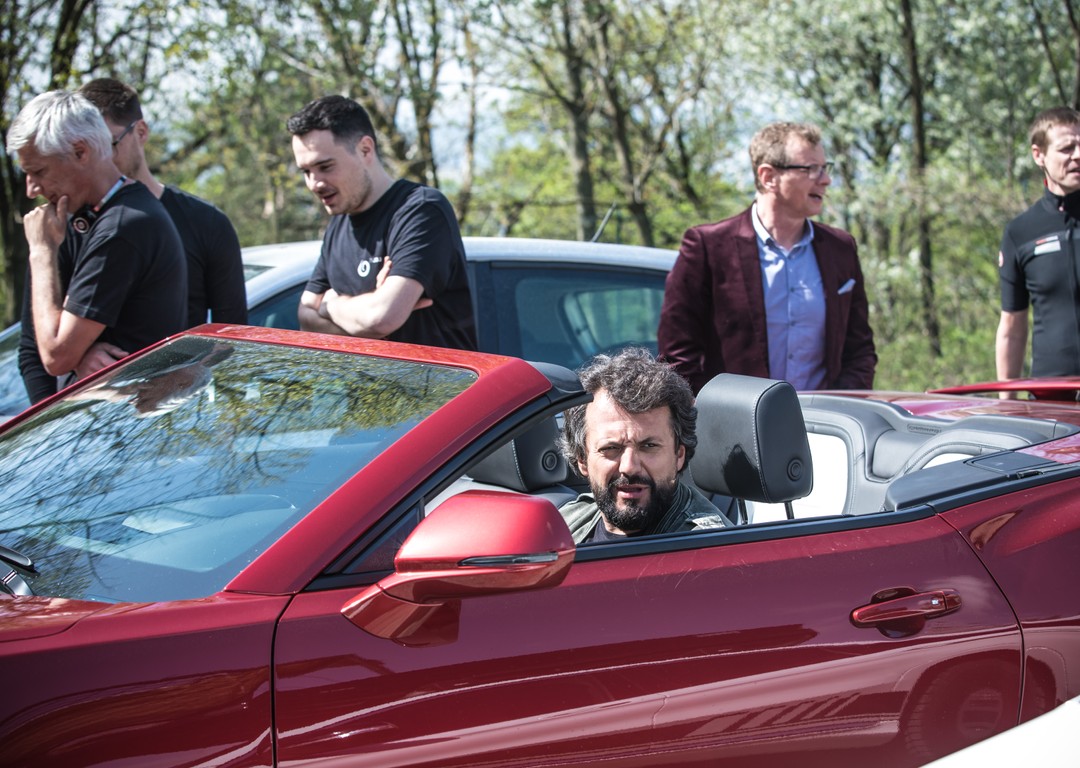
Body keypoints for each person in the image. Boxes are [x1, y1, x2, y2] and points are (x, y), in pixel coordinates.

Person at [16, 79, 247, 404]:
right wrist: (50, 417)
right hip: (87, 423)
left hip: (156, 417)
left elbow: (231, 337)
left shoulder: (188, 223)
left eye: (109, 142)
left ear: (140, 132)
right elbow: (36, 348)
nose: (32, 189)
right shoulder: (61, 226)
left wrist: (160, 371)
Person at [658, 121, 876, 394]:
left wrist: (846, 405)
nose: (825, 179)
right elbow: (677, 354)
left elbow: (859, 349)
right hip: (733, 418)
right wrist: (704, 413)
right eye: (811, 169)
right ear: (768, 176)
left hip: (827, 419)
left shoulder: (841, 249)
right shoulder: (707, 247)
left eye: (825, 167)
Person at [7, 90, 187, 397]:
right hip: (98, 421)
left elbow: (55, 354)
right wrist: (79, 357)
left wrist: (41, 252)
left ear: (80, 152)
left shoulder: (123, 227)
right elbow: (34, 347)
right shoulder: (86, 217)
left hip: (126, 422)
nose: (31, 189)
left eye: (38, 171)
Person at [286, 95, 477, 350]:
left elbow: (380, 318)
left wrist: (331, 305)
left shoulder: (420, 210)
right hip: (363, 379)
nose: (314, 183)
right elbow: (306, 318)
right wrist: (365, 317)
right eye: (306, 172)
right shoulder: (338, 225)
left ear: (365, 149)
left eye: (325, 166)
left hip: (433, 377)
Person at [557, 347, 729, 544]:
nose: (629, 467)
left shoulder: (708, 549)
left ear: (679, 455)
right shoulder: (563, 523)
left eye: (648, 446)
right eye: (611, 448)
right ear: (582, 458)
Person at [996, 107, 1080, 390]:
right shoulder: (1021, 232)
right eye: (1067, 148)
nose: (1078, 155)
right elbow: (1012, 328)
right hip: (1050, 396)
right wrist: (1006, 405)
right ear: (1038, 155)